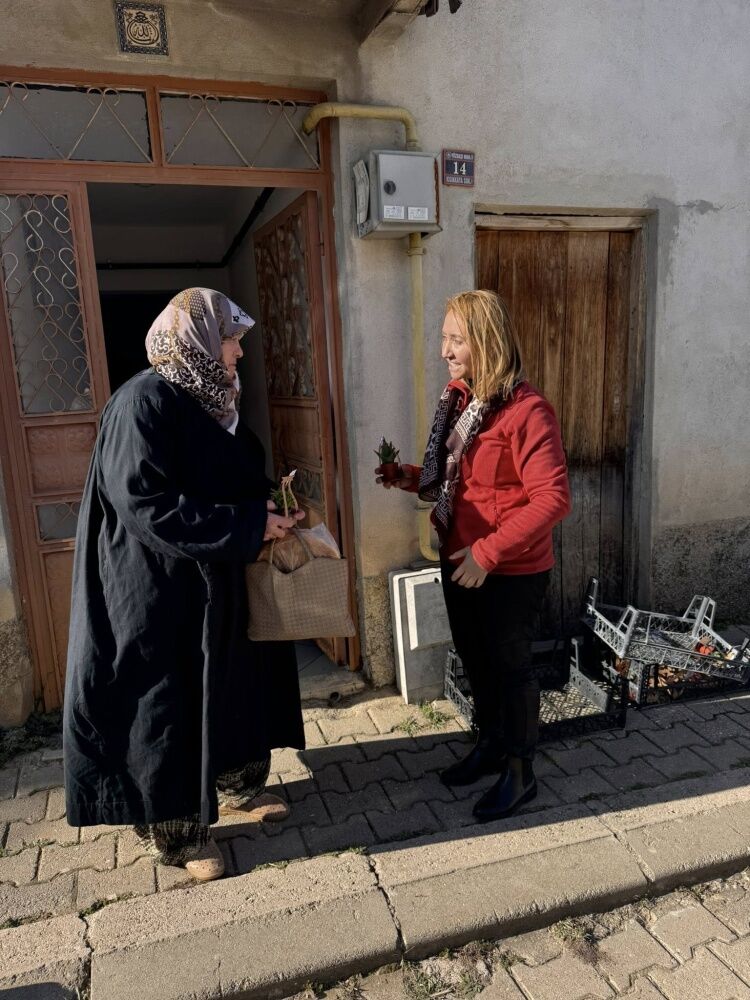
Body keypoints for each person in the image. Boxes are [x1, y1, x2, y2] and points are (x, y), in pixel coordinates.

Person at [64, 288, 305, 881]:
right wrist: (247, 525)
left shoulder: (213, 400)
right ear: (196, 339)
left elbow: (228, 473)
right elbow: (147, 503)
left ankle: (237, 785)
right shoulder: (142, 403)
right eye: (231, 339)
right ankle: (175, 832)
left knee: (231, 682)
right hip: (155, 588)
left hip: (216, 577)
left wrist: (274, 505)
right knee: (165, 702)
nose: (239, 353)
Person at [377, 290, 571, 822]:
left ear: (486, 343)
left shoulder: (529, 411)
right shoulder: (462, 405)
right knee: (477, 661)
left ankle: (520, 771)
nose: (445, 350)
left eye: (456, 340)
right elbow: (458, 483)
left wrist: (487, 553)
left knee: (511, 670)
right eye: (443, 339)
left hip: (508, 569)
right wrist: (409, 478)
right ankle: (489, 746)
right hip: (463, 561)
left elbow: (552, 498)